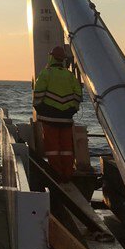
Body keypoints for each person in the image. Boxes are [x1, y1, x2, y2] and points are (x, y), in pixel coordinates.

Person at [33, 46, 82, 181]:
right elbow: (78, 95)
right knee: (67, 147)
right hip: (66, 119)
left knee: (52, 147)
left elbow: (38, 95)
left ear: (51, 57)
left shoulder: (46, 74)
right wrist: (72, 109)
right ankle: (68, 173)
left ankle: (56, 175)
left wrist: (40, 109)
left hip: (49, 118)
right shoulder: (70, 76)